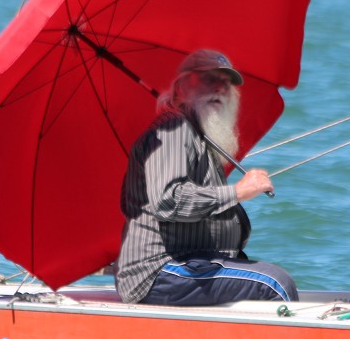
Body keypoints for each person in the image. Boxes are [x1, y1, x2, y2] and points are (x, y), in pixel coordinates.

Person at [115, 49, 299, 306]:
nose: (220, 88)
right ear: (182, 88)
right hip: (157, 272)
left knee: (266, 276)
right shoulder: (173, 130)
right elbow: (167, 200)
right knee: (275, 284)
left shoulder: (201, 136)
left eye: (226, 83)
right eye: (209, 79)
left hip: (192, 262)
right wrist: (236, 192)